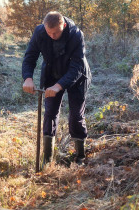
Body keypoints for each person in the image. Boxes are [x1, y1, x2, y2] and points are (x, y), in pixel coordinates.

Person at [22, 11, 91, 166]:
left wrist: (59, 86)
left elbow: (77, 67)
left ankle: (80, 155)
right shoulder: (40, 32)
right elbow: (30, 56)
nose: (52, 36)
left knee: (75, 115)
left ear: (64, 25)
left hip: (77, 77)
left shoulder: (76, 35)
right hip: (52, 73)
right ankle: (47, 157)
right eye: (49, 33)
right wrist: (28, 78)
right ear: (44, 28)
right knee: (50, 113)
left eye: (56, 33)